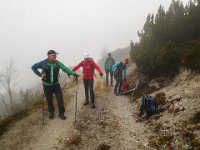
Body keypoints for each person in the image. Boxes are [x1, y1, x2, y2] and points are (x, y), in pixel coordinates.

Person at [31, 50, 78, 120]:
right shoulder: (43, 63)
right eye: (53, 55)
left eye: (56, 55)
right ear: (49, 56)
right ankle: (51, 112)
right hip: (46, 85)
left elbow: (65, 68)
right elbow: (33, 67)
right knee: (49, 99)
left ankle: (61, 113)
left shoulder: (58, 63)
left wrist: (74, 74)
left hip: (56, 85)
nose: (55, 56)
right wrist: (40, 75)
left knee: (60, 99)